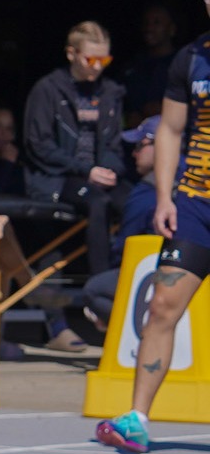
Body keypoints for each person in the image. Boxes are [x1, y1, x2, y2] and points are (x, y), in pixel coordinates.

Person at [95, 0, 210, 454]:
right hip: (196, 204)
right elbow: (170, 130)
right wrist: (165, 197)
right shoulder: (192, 57)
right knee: (162, 306)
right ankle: (137, 419)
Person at [24, 20, 128, 276]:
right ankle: (100, 282)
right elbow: (39, 145)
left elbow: (115, 144)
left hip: (99, 174)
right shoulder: (48, 89)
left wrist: (110, 169)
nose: (97, 67)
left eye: (104, 60)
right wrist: (86, 170)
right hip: (59, 177)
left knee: (137, 201)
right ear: (71, 54)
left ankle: (134, 273)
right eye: (90, 60)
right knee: (98, 203)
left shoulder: (111, 92)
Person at [80, 117, 162, 328]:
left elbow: (125, 251)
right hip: (192, 271)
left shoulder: (145, 193)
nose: (134, 153)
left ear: (161, 145)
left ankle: (137, 338)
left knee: (94, 290)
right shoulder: (196, 182)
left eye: (139, 146)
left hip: (161, 277)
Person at [118, 2, 180, 123]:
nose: (149, 28)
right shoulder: (132, 67)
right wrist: (129, 117)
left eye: (157, 23)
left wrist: (166, 110)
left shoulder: (183, 64)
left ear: (172, 29)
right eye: (146, 23)